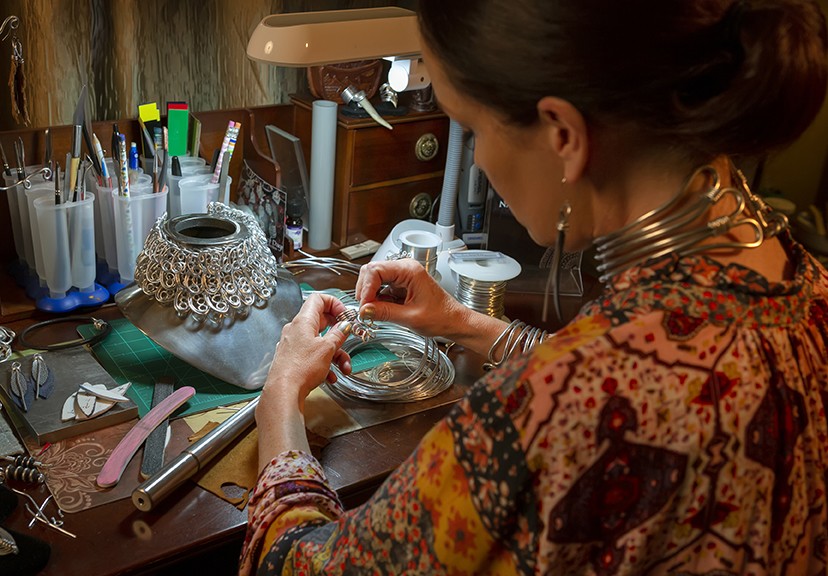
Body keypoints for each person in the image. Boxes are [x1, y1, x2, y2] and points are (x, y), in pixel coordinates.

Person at [240, 0, 828, 573]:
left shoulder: (546, 411)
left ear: (563, 135)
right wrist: (462, 323)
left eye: (471, 128)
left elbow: (302, 566)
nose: (479, 160)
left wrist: (282, 396)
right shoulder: (809, 292)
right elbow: (655, 375)